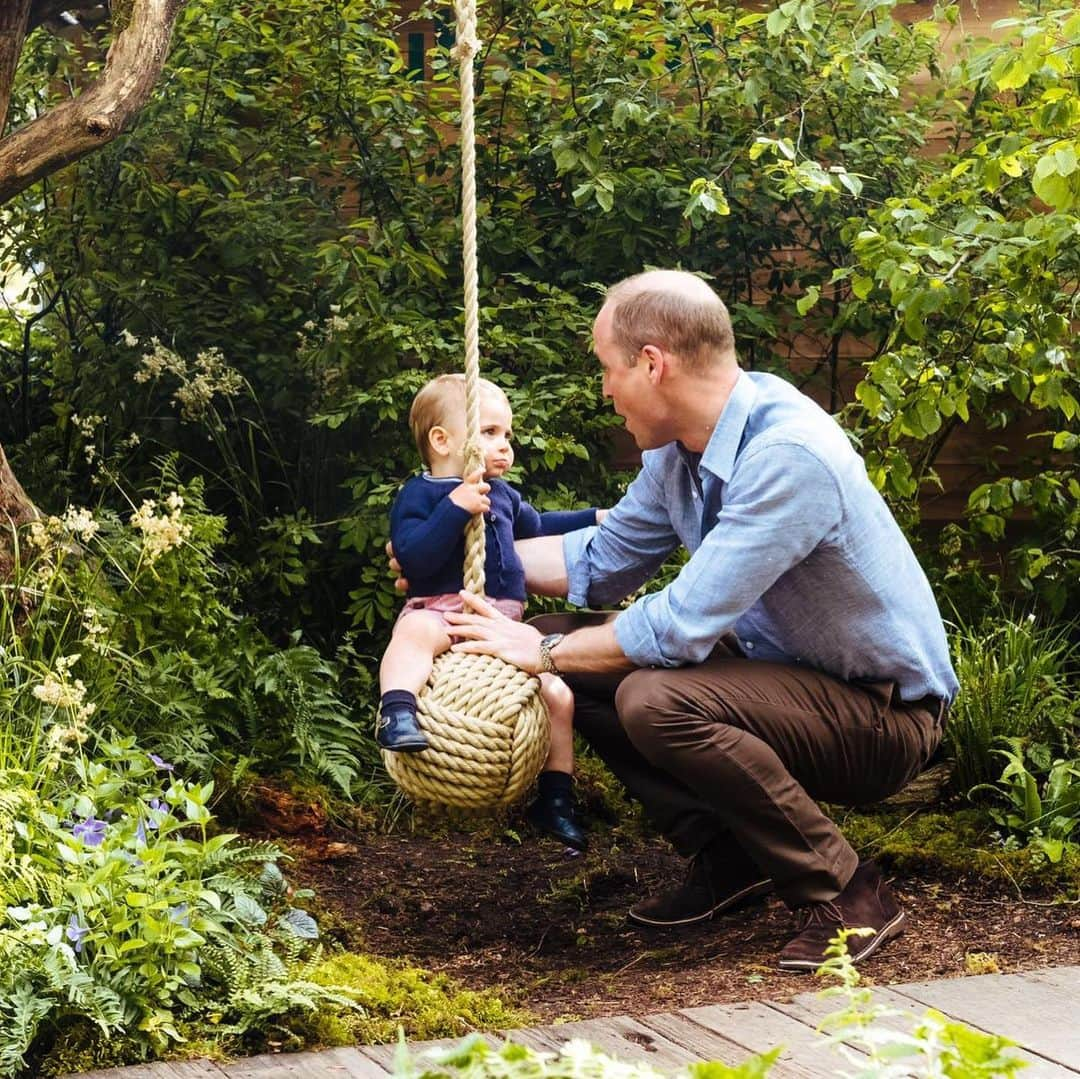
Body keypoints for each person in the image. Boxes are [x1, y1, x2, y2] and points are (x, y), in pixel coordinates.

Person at [430, 269, 959, 972]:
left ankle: (849, 891)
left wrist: (545, 653)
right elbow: (605, 557)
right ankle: (731, 855)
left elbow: (679, 626)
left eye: (608, 369)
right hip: (789, 678)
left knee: (650, 694)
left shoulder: (788, 456)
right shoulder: (681, 450)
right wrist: (447, 558)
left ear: (652, 363)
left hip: (882, 718)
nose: (605, 389)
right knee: (570, 643)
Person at [378, 373, 605, 852]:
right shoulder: (420, 496)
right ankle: (397, 712)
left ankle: (556, 798)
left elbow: (539, 526)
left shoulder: (501, 493)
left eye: (508, 435)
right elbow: (414, 556)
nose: (505, 446)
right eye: (490, 433)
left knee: (557, 695)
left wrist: (597, 517)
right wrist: (455, 508)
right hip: (444, 612)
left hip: (502, 626)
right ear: (442, 440)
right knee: (414, 631)